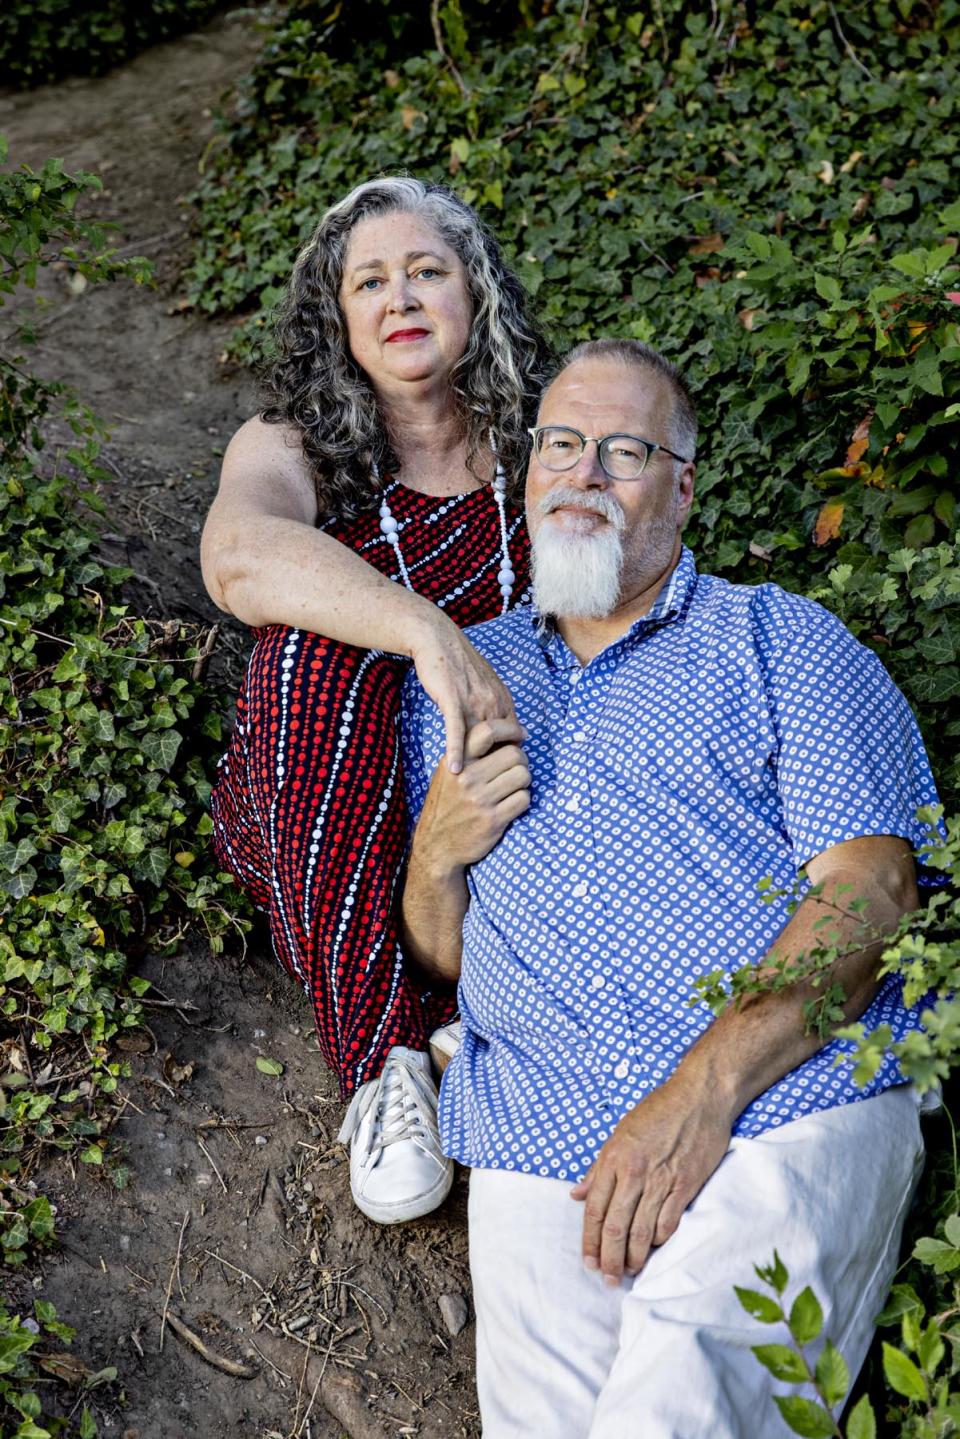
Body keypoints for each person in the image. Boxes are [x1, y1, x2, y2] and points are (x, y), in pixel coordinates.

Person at [400, 338, 942, 1436]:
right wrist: (434, 851)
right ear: (527, 472)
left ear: (684, 486)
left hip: (787, 1101)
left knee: (679, 1407)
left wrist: (697, 1097)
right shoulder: (464, 676)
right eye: (560, 443)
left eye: (624, 449)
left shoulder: (780, 638)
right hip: (539, 1130)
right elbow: (447, 952)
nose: (584, 471)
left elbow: (874, 888)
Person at [200, 176, 551, 1224]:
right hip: (332, 791)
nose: (400, 298)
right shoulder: (290, 443)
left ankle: (480, 1015)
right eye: (371, 281)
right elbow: (238, 556)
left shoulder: (542, 440)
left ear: (475, 293)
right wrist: (423, 630)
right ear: (339, 319)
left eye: (427, 271)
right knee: (312, 650)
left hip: (502, 782)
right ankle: (386, 1059)